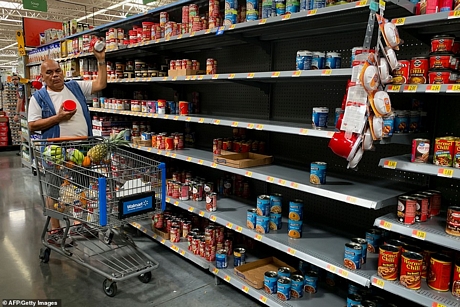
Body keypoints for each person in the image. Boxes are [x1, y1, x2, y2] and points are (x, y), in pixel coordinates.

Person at [28, 45, 107, 244]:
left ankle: (81, 224)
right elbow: (32, 125)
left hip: (81, 149)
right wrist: (58, 117)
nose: (55, 75)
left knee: (81, 187)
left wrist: (101, 60)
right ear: (42, 77)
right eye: (49, 73)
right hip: (55, 151)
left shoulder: (75, 86)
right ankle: (55, 231)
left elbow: (100, 84)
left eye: (57, 71)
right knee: (54, 190)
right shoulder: (38, 98)